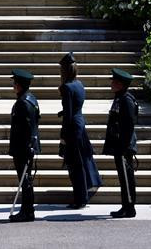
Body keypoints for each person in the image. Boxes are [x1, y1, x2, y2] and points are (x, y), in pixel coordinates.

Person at [58, 52, 102, 208]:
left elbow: (68, 116)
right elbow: (75, 107)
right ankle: (82, 196)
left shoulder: (66, 87)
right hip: (80, 125)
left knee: (75, 165)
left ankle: (80, 199)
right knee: (80, 162)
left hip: (72, 129)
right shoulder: (79, 85)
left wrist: (63, 137)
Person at [103, 67, 138, 219]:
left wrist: (124, 147)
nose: (111, 83)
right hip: (119, 145)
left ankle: (130, 207)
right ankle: (125, 205)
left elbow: (129, 125)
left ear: (121, 84)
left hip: (124, 147)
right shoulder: (120, 97)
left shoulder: (126, 100)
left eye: (114, 81)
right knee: (123, 177)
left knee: (127, 177)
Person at [8, 68, 41, 222]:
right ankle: (28, 210)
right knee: (26, 180)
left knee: (25, 180)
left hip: (22, 147)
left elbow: (27, 128)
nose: (13, 85)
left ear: (20, 85)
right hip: (27, 146)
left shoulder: (22, 103)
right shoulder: (31, 99)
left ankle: (26, 212)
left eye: (15, 83)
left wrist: (28, 147)